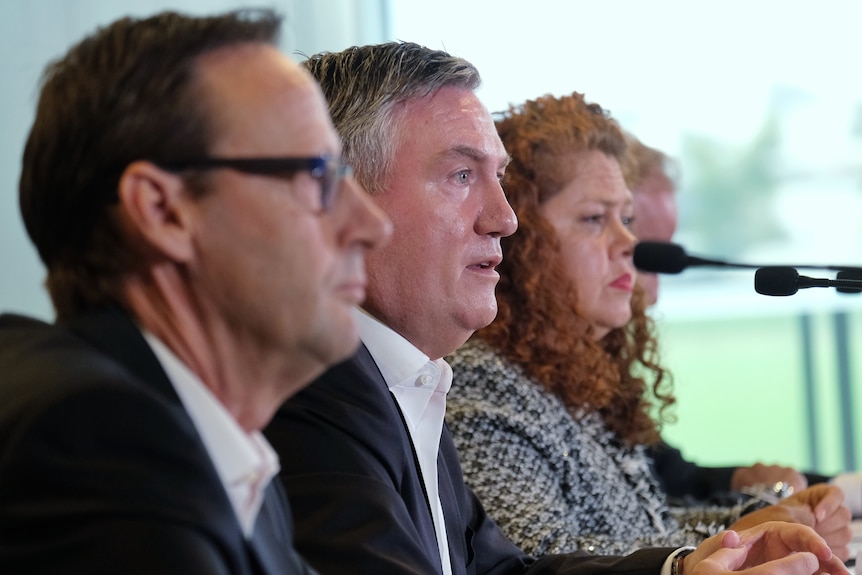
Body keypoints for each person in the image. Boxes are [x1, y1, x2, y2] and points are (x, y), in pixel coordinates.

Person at [264, 41, 847, 575]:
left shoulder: (409, 377)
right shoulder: (311, 392)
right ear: (346, 201)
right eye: (462, 175)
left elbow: (503, 573)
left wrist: (685, 570)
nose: (504, 219)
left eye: (497, 179)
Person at [0, 9, 389, 574]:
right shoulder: (99, 440)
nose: (372, 225)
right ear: (163, 211)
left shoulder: (233, 459)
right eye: (319, 174)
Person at [444, 92, 852, 559]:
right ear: (523, 243)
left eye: (628, 219)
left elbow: (649, 524)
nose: (628, 244)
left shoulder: (573, 376)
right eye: (595, 219)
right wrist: (746, 535)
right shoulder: (484, 387)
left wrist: (769, 517)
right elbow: (545, 558)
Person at [624, 134, 857, 511]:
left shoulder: (598, 377)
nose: (653, 295)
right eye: (647, 260)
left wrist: (756, 485)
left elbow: (676, 481)